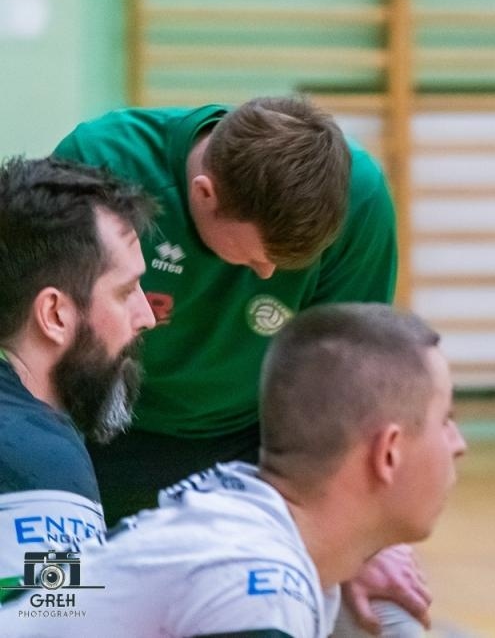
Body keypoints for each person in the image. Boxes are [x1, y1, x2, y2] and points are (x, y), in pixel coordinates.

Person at [52, 95, 427, 635]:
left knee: (386, 623)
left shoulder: (359, 198)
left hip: (254, 462)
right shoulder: (101, 160)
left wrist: (367, 539)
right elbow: (39, 348)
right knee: (46, 598)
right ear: (206, 194)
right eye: (254, 258)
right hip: (91, 446)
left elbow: (349, 388)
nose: (269, 273)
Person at [3, 303, 467, 637]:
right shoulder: (256, 580)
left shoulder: (239, 522)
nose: (458, 445)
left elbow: (76, 585)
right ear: (387, 452)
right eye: (444, 421)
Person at [0, 157, 156, 604]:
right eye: (126, 292)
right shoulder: (38, 456)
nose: (146, 316)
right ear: (54, 315)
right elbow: (53, 623)